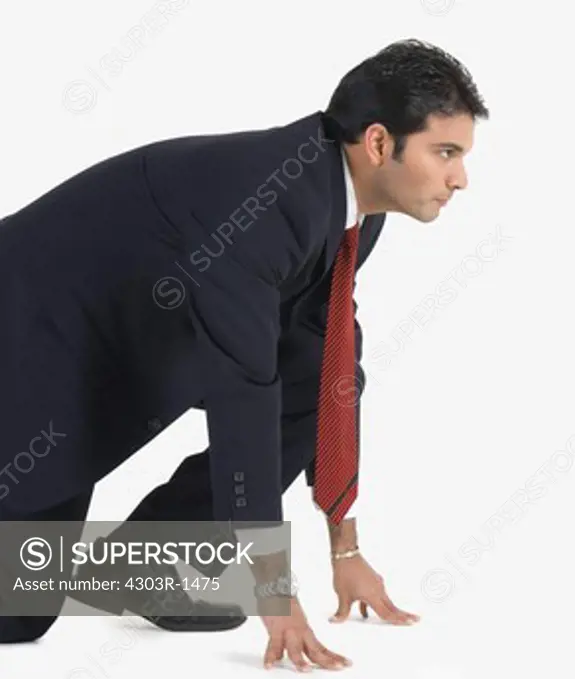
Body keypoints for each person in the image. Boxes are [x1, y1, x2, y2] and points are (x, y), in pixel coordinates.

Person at [0, 37, 488, 670]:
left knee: (319, 380)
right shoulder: (266, 205)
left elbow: (328, 366)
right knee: (17, 610)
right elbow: (244, 390)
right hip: (33, 339)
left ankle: (154, 561)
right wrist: (273, 594)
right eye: (445, 152)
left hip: (127, 343)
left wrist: (344, 546)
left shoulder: (352, 208)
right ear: (377, 143)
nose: (460, 178)